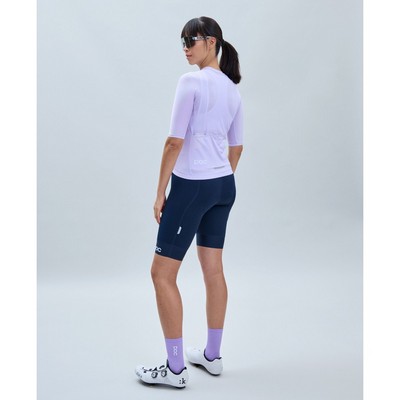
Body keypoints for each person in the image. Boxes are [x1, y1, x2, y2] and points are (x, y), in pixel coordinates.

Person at [135, 16, 244, 389]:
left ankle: (175, 368)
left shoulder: (191, 82)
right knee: (213, 270)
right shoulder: (232, 90)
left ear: (211, 42)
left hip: (191, 187)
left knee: (161, 274)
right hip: (223, 186)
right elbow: (237, 147)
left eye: (191, 40)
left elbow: (173, 143)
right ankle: (212, 356)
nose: (185, 47)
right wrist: (217, 178)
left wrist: (160, 193)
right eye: (181, 40)